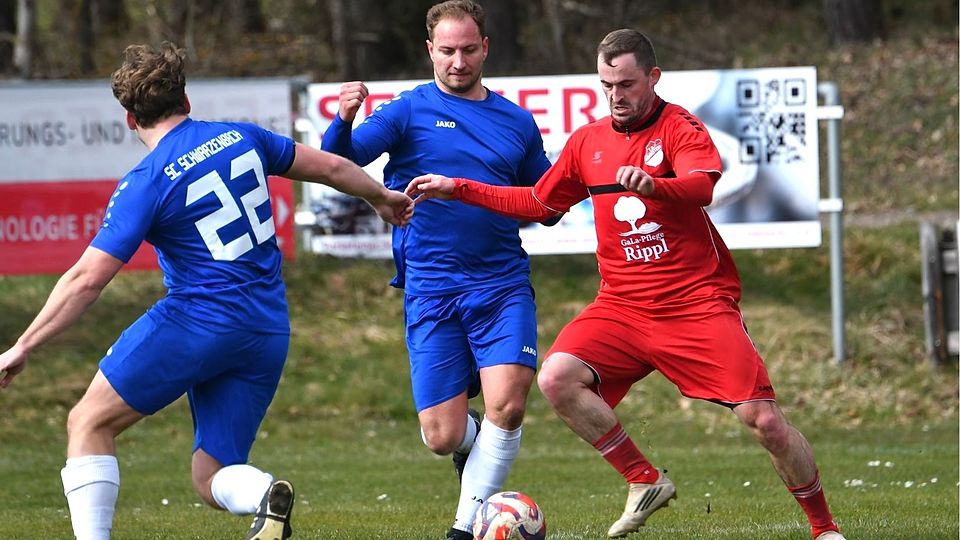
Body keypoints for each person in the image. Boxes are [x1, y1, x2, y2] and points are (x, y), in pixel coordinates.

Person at [407, 29, 846, 540]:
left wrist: (655, 185)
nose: (616, 96)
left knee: (765, 422)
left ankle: (824, 528)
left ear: (653, 79)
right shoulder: (588, 141)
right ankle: (643, 479)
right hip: (622, 307)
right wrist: (458, 188)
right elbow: (538, 204)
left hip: (695, 304)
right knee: (556, 378)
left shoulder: (681, 127)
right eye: (606, 85)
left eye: (627, 84)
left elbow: (702, 186)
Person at [0, 42, 413, 540]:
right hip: (265, 330)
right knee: (209, 474)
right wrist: (381, 197)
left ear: (130, 121)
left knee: (88, 422)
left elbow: (87, 279)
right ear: (187, 101)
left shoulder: (146, 182)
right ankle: (263, 494)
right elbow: (328, 167)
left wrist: (23, 346)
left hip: (197, 322)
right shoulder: (240, 137)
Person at [320, 2, 557, 538]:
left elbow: (544, 204)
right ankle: (473, 445)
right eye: (447, 51)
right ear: (430, 50)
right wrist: (343, 118)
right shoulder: (407, 112)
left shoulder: (516, 122)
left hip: (501, 285)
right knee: (440, 436)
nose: (458, 61)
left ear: (485, 48)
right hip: (431, 289)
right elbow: (341, 163)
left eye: (468, 50)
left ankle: (463, 526)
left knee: (509, 403)